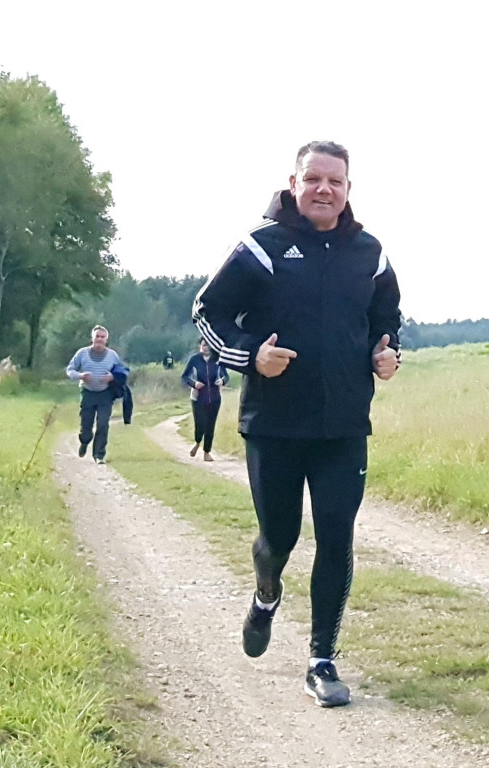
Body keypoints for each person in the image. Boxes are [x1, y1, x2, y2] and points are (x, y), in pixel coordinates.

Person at [192, 141, 402, 707]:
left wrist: (389, 353)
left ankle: (321, 660)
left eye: (335, 181)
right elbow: (206, 312)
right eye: (313, 179)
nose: (324, 190)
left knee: (337, 537)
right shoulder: (262, 248)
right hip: (274, 426)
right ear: (294, 183)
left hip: (343, 428)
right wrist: (248, 355)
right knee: (279, 538)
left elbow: (386, 320)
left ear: (348, 189)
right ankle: (265, 595)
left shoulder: (370, 253)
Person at [66, 325, 123, 465]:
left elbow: (122, 372)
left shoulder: (113, 355)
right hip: (87, 393)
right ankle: (85, 441)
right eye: (97, 336)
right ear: (92, 338)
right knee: (86, 425)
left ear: (106, 339)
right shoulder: (82, 353)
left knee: (103, 424)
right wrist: (80, 375)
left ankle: (99, 455)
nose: (99, 339)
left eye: (102, 337)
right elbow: (70, 370)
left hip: (105, 394)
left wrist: (112, 376)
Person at [181, 338, 230, 461]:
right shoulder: (194, 359)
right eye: (203, 345)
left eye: (208, 345)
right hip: (198, 397)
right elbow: (184, 376)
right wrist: (194, 383)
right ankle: (197, 442)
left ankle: (206, 452)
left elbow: (226, 376)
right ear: (199, 346)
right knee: (200, 424)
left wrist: (222, 381)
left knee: (210, 425)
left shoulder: (218, 359)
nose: (206, 347)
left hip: (214, 397)